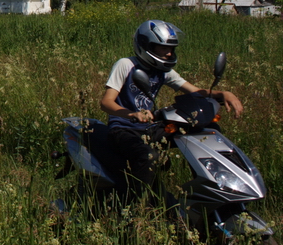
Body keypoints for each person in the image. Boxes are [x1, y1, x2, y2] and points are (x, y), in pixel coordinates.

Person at [99, 19, 243, 205]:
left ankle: (214, 190)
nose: (168, 53)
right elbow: (106, 102)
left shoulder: (164, 72)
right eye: (162, 48)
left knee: (208, 132)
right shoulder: (126, 65)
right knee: (148, 156)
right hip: (123, 129)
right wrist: (131, 114)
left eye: (171, 49)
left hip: (149, 128)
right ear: (145, 45)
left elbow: (195, 91)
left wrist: (222, 94)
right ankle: (133, 209)